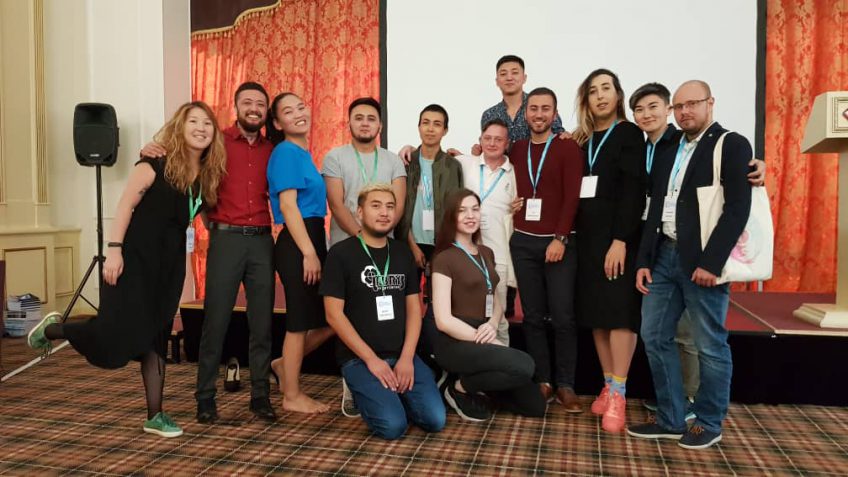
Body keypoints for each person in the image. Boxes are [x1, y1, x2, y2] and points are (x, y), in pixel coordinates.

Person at [28, 101, 227, 438]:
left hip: (169, 268)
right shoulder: (155, 162)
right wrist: (114, 252)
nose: (201, 128)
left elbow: (204, 220)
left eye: (207, 124)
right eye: (193, 121)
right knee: (115, 338)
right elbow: (125, 207)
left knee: (156, 337)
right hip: (134, 260)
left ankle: (156, 415)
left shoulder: (206, 178)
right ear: (180, 126)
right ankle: (54, 331)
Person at [629, 82, 768, 418]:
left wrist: (712, 263)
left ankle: (708, 421)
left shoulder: (730, 143)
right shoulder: (670, 147)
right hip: (664, 255)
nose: (685, 112)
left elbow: (737, 208)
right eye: (679, 107)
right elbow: (657, 207)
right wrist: (644, 260)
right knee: (654, 336)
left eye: (692, 104)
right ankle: (672, 416)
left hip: (703, 261)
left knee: (710, 344)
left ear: (710, 103)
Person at [321, 183, 446, 440]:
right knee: (392, 427)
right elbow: (333, 315)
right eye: (375, 206)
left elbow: (414, 308)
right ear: (359, 212)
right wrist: (371, 360)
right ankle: (363, 390)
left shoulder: (401, 253)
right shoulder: (340, 254)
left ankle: (392, 394)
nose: (384, 213)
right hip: (360, 359)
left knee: (436, 420)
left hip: (402, 355)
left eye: (390, 207)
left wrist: (407, 358)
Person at [571, 69, 646, 433]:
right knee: (597, 316)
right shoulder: (582, 139)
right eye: (593, 91)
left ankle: (619, 392)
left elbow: (633, 192)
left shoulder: (630, 134)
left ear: (618, 94)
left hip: (618, 241)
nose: (600, 96)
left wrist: (621, 240)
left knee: (620, 315)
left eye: (606, 89)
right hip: (586, 241)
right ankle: (607, 383)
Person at [431, 189, 546, 421]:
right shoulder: (444, 258)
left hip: (484, 332)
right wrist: (483, 338)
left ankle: (479, 384)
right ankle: (459, 387)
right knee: (525, 365)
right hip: (456, 340)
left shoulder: (486, 253)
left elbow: (495, 301)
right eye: (462, 211)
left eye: (475, 209)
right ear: (451, 216)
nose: (470, 215)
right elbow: (443, 320)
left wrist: (493, 325)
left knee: (535, 406)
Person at [510, 87, 584, 412]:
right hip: (523, 241)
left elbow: (572, 197)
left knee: (564, 316)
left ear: (555, 114)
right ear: (525, 114)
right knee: (533, 317)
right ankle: (543, 380)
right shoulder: (517, 148)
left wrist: (561, 238)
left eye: (545, 109)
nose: (539, 115)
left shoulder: (567, 148)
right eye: (533, 109)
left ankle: (566, 384)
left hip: (559, 243)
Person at [266, 92, 335, 414]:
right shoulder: (286, 152)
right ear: (278, 123)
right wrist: (308, 252)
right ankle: (291, 395)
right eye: (288, 111)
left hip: (312, 237)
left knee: (330, 319)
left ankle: (283, 365)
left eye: (301, 107)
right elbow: (288, 205)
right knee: (298, 322)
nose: (298, 113)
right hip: (299, 241)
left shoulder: (304, 154)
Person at [454, 119, 518, 345]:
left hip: (497, 257)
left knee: (497, 319)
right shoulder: (464, 163)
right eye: (488, 138)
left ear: (507, 143)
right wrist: (409, 150)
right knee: (465, 315)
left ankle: (503, 372)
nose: (492, 143)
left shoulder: (514, 174)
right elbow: (432, 157)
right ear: (480, 140)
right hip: (465, 255)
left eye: (498, 139)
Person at [394, 104, 464, 297]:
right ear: (418, 127)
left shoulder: (453, 166)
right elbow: (399, 208)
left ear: (445, 130)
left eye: (437, 124)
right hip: (408, 242)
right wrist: (412, 246)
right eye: (425, 123)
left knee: (440, 302)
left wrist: (441, 251)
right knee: (406, 299)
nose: (430, 129)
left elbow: (457, 211)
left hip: (442, 245)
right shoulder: (404, 163)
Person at [322, 97, 407, 247]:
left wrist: (376, 238)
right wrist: (363, 236)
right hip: (345, 242)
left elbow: (398, 206)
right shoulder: (334, 158)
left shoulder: (394, 161)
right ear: (349, 124)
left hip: (384, 243)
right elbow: (336, 205)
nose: (365, 123)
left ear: (380, 126)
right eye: (359, 118)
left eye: (371, 119)